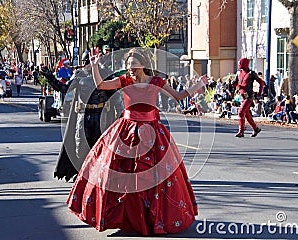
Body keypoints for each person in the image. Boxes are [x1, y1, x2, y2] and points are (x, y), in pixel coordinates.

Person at [67, 48, 207, 235]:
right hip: (126, 130)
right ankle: (124, 217)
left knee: (155, 179)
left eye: (134, 65)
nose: (130, 69)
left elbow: (178, 96)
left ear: (143, 65)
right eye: (128, 65)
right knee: (118, 173)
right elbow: (100, 85)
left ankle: (152, 218)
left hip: (152, 133)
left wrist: (197, 86)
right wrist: (94, 66)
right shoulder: (124, 81)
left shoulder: (156, 82)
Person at [44, 51, 124, 182]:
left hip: (101, 116)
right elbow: (65, 89)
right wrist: (51, 79)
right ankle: (82, 173)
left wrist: (121, 117)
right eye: (86, 62)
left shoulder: (105, 75)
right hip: (83, 115)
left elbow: (115, 98)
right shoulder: (79, 76)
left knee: (100, 146)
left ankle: (98, 173)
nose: (88, 65)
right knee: (80, 146)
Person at [232, 58, 264, 137]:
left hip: (249, 96)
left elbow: (261, 82)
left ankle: (241, 131)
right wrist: (233, 84)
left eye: (240, 63)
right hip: (242, 96)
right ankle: (255, 129)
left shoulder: (251, 73)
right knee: (247, 114)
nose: (239, 65)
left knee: (241, 112)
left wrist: (259, 93)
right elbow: (235, 83)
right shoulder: (239, 73)